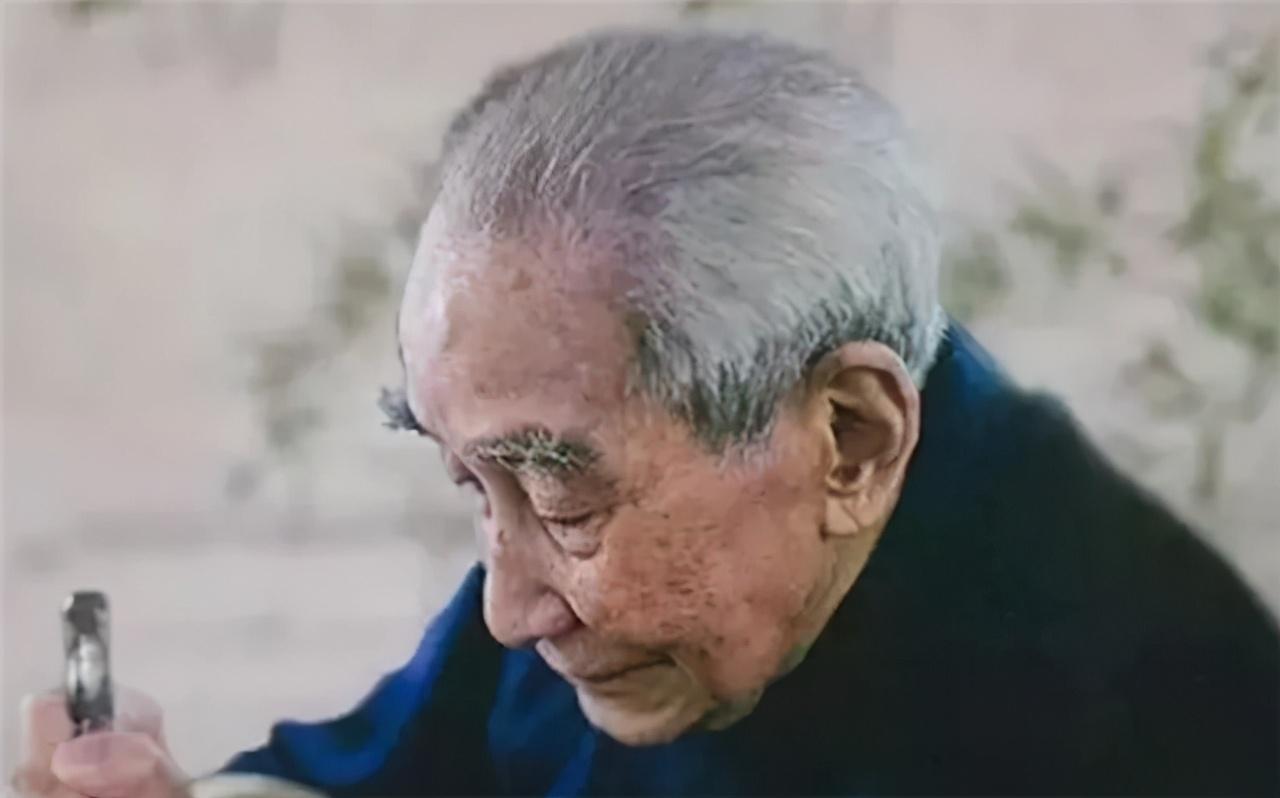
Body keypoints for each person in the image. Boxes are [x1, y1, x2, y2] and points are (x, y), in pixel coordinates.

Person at [15, 29, 1279, 798]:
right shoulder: (609, 582)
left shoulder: (1140, 723)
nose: (510, 612)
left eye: (560, 496)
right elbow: (395, 770)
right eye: (473, 489)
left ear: (852, 440)